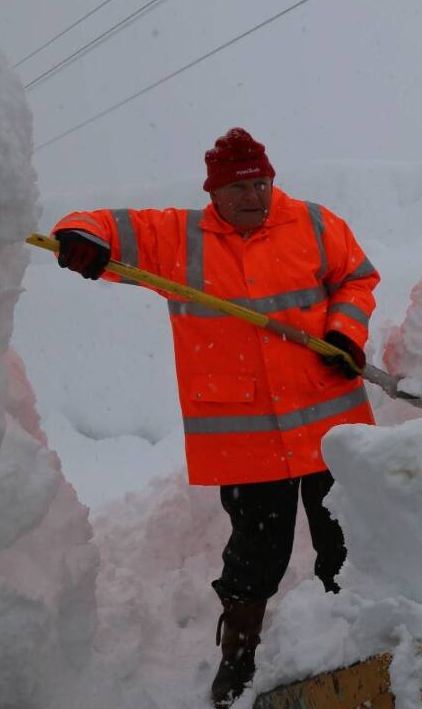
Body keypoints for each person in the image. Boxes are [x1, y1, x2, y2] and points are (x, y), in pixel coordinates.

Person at [49, 128, 378, 707]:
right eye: (240, 187)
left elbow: (356, 277)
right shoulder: (180, 236)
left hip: (329, 418)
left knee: (345, 535)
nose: (254, 196)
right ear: (215, 194)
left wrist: (345, 331)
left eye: (262, 183)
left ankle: (352, 631)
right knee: (257, 551)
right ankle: (240, 653)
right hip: (245, 433)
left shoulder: (315, 223)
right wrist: (79, 239)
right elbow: (95, 224)